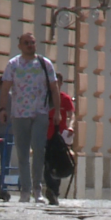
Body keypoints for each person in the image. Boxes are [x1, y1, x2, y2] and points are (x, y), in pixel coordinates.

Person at [0, 32, 60, 203]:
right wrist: (3, 109)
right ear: (20, 45)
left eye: (32, 42)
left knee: (39, 150)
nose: (30, 46)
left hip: (40, 112)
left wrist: (57, 111)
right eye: (26, 43)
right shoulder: (13, 64)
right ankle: (25, 191)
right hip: (19, 114)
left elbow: (54, 88)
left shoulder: (44, 63)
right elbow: (5, 89)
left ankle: (37, 190)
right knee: (22, 153)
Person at [44, 73, 75, 206]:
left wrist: (70, 127)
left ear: (61, 84)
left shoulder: (65, 98)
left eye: (58, 83)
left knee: (58, 163)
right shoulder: (45, 97)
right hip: (45, 133)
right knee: (46, 163)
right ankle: (49, 189)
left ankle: (54, 192)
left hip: (59, 136)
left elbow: (72, 115)